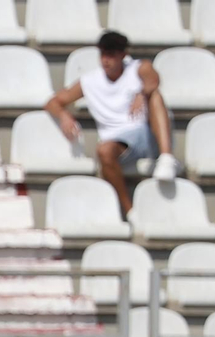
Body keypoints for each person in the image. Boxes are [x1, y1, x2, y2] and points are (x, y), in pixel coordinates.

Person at [45, 30, 176, 215]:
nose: (106, 60)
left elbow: (154, 80)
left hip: (146, 135)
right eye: (103, 54)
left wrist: (142, 93)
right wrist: (64, 115)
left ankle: (167, 158)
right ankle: (129, 211)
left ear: (123, 55)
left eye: (112, 55)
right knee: (103, 151)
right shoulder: (90, 81)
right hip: (117, 142)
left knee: (156, 96)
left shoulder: (138, 68)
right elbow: (52, 102)